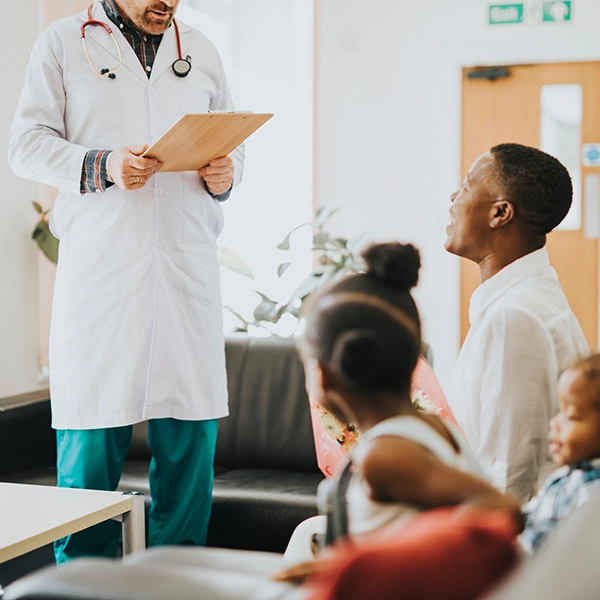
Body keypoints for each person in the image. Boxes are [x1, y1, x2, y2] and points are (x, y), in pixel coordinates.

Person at [8, 0, 244, 562]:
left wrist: (225, 173)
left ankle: (176, 580)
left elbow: (231, 150)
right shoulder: (64, 43)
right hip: (103, 276)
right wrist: (104, 165)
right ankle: (79, 586)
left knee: (190, 443)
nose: (167, 3)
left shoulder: (202, 49)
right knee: (91, 448)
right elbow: (25, 146)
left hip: (184, 274)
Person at [291, 243, 523, 556]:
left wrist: (376, 568)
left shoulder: (386, 455)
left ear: (322, 374)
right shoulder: (431, 426)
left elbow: (503, 509)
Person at [445, 143, 588, 503]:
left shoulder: (515, 317)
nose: (453, 198)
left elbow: (508, 479)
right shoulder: (518, 299)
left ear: (500, 213)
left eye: (465, 187)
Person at [519, 353, 600, 553]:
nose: (555, 423)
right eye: (559, 411)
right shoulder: (566, 476)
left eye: (571, 415)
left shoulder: (590, 492)